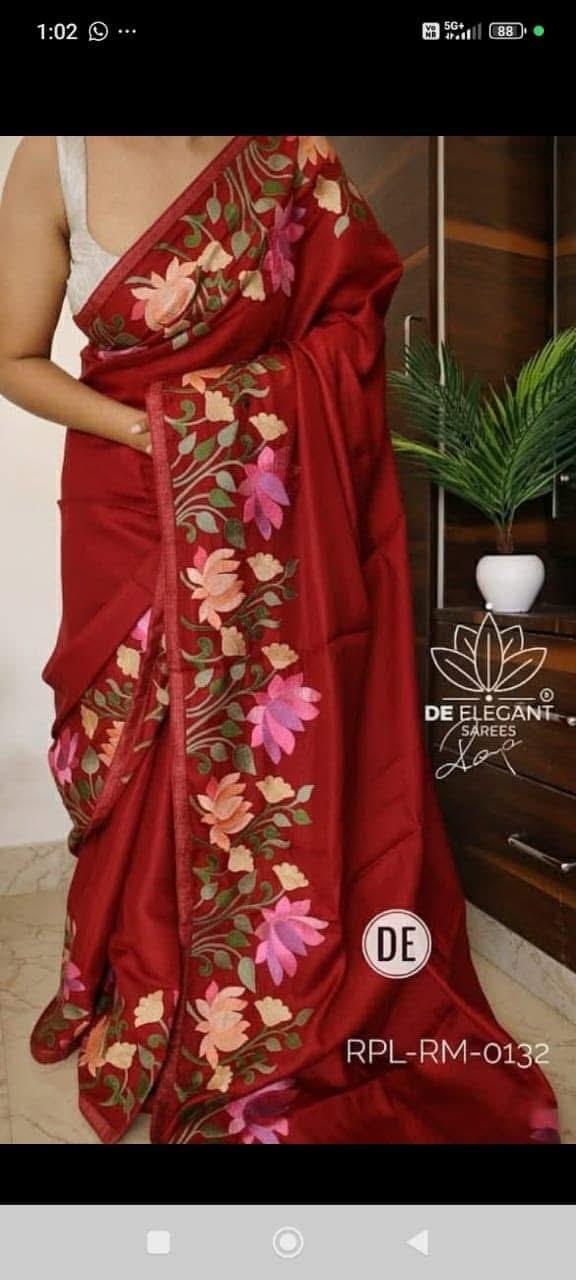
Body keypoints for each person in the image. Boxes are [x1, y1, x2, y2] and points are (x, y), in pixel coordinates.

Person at [0, 135, 560, 1144]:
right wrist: (163, 433)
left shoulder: (289, 158)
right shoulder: (58, 155)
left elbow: (353, 316)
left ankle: (262, 985)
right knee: (133, 748)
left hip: (268, 508)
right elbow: (14, 359)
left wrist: (227, 424)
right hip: (125, 502)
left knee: (269, 743)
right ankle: (144, 971)